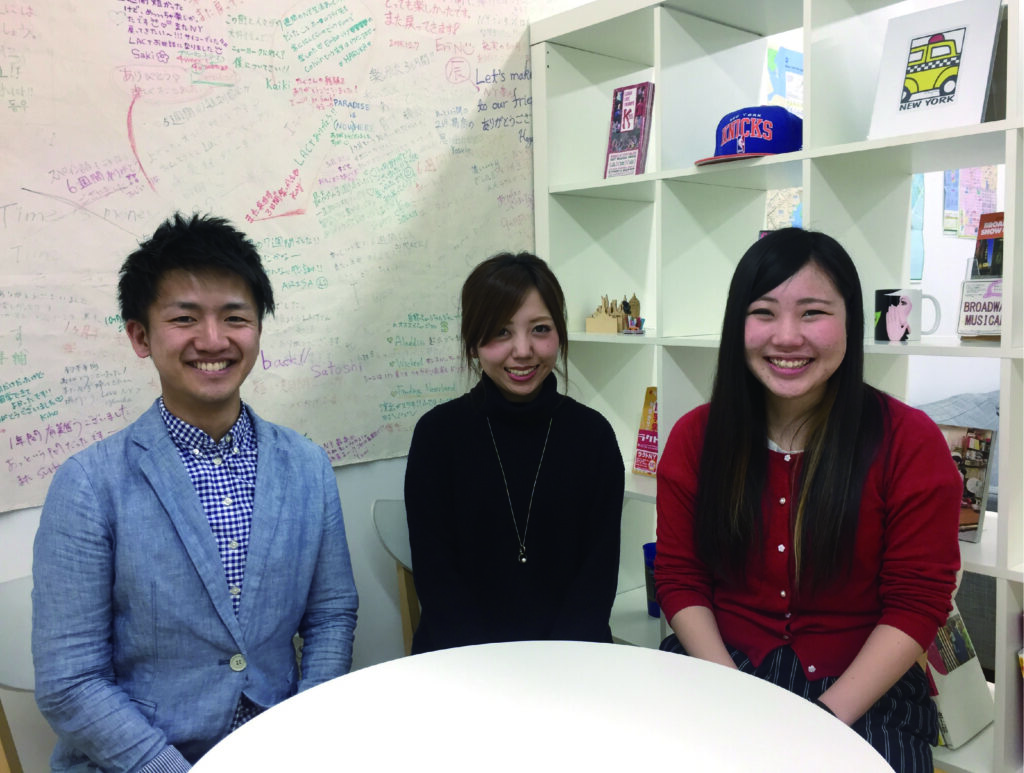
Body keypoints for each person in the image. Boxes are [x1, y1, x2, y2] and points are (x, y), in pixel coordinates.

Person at [32, 213, 359, 772]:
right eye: (185, 318)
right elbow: (71, 680)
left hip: (279, 748)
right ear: (141, 336)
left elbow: (331, 615)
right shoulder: (88, 484)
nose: (213, 340)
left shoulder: (306, 465)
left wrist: (305, 735)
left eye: (235, 317)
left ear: (258, 328)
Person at [654, 228, 961, 772]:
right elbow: (681, 577)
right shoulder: (696, 438)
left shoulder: (909, 441)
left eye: (813, 313)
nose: (787, 336)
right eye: (763, 313)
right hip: (719, 667)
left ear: (850, 322)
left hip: (862, 688)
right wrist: (731, 692)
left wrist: (822, 718)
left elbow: (917, 602)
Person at [404, 251, 624, 654]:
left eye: (540, 329)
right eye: (500, 332)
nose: (523, 350)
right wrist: (491, 673)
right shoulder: (437, 436)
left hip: (573, 661)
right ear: (473, 342)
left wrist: (557, 667)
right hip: (461, 661)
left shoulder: (593, 437)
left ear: (560, 334)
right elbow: (438, 581)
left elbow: (596, 580)